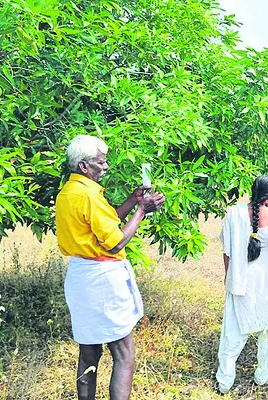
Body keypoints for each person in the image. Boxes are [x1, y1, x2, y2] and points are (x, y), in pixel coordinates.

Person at [56, 135, 166, 400]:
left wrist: (130, 201)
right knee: (124, 354)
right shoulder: (90, 196)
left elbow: (104, 224)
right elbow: (115, 243)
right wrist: (141, 210)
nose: (105, 167)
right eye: (100, 163)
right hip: (102, 278)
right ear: (84, 166)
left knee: (89, 354)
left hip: (80, 276)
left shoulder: (69, 193)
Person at [216, 175, 268, 395]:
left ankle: (225, 379)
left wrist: (229, 277)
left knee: (232, 330)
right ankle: (263, 375)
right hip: (267, 283)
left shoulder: (234, 213)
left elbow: (227, 252)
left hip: (241, 278)